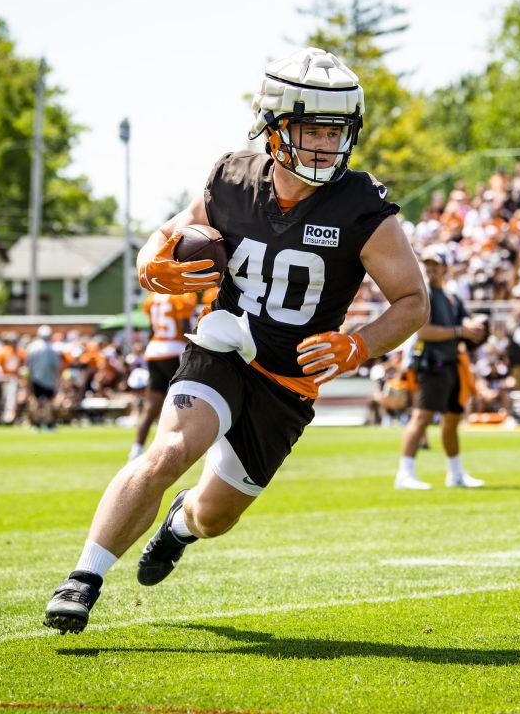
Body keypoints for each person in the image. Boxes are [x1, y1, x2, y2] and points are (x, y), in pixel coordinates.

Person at [43, 47, 428, 633]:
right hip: (225, 343)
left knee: (215, 516)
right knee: (170, 450)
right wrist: (152, 260)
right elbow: (171, 231)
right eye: (311, 130)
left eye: (336, 132)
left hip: (290, 380)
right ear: (273, 126)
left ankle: (177, 527)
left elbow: (412, 301)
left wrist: (358, 345)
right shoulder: (232, 178)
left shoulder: (361, 206)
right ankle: (83, 577)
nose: (325, 145)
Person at [395, 247, 487, 490]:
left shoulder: (451, 296)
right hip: (431, 363)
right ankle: (405, 473)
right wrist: (460, 331)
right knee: (422, 416)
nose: (431, 269)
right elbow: (424, 331)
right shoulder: (424, 294)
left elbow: (464, 320)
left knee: (453, 419)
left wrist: (474, 325)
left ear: (446, 267)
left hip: (452, 363)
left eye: (436, 264)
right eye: (428, 264)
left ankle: (455, 474)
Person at [128, 292, 199, 459]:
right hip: (173, 351)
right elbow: (183, 326)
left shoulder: (153, 297)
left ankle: (137, 449)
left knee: (151, 405)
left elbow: (152, 329)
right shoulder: (181, 295)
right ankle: (180, 445)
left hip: (154, 351)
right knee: (185, 400)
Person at [24, 324, 61, 432]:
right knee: (48, 402)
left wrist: (28, 380)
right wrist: (56, 380)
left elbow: (27, 366)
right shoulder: (51, 348)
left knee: (35, 401)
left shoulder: (32, 347)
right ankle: (48, 424)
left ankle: (36, 424)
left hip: (35, 379)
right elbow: (56, 366)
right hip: (48, 380)